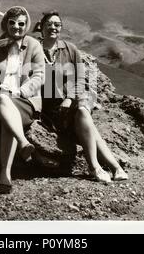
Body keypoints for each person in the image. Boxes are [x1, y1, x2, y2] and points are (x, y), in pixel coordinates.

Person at [35, 11, 128, 183]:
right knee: (89, 127)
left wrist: (70, 98)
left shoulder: (70, 49)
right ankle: (116, 168)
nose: (53, 28)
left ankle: (95, 167)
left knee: (83, 111)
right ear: (41, 27)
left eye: (57, 24)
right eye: (49, 24)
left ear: (61, 28)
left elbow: (80, 79)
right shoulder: (34, 50)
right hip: (51, 109)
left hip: (74, 100)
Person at [0, 6, 45, 194]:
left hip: (25, 99)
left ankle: (4, 174)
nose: (17, 27)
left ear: (27, 25)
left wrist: (20, 91)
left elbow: (40, 76)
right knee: (2, 99)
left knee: (6, 106)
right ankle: (23, 143)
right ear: (5, 23)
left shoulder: (33, 45)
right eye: (12, 23)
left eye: (21, 24)